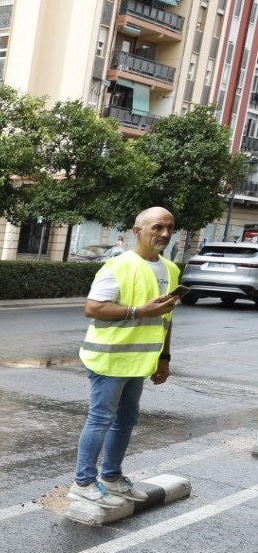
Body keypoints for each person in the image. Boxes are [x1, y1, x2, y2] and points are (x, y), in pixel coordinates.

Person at [70, 206, 181, 507]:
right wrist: (138, 311)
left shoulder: (171, 270)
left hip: (138, 362)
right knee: (101, 419)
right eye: (157, 227)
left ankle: (112, 477)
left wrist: (164, 358)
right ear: (137, 231)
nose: (165, 234)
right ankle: (82, 482)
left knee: (126, 419)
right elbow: (93, 308)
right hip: (107, 359)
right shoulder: (118, 266)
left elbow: (166, 319)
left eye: (169, 228)